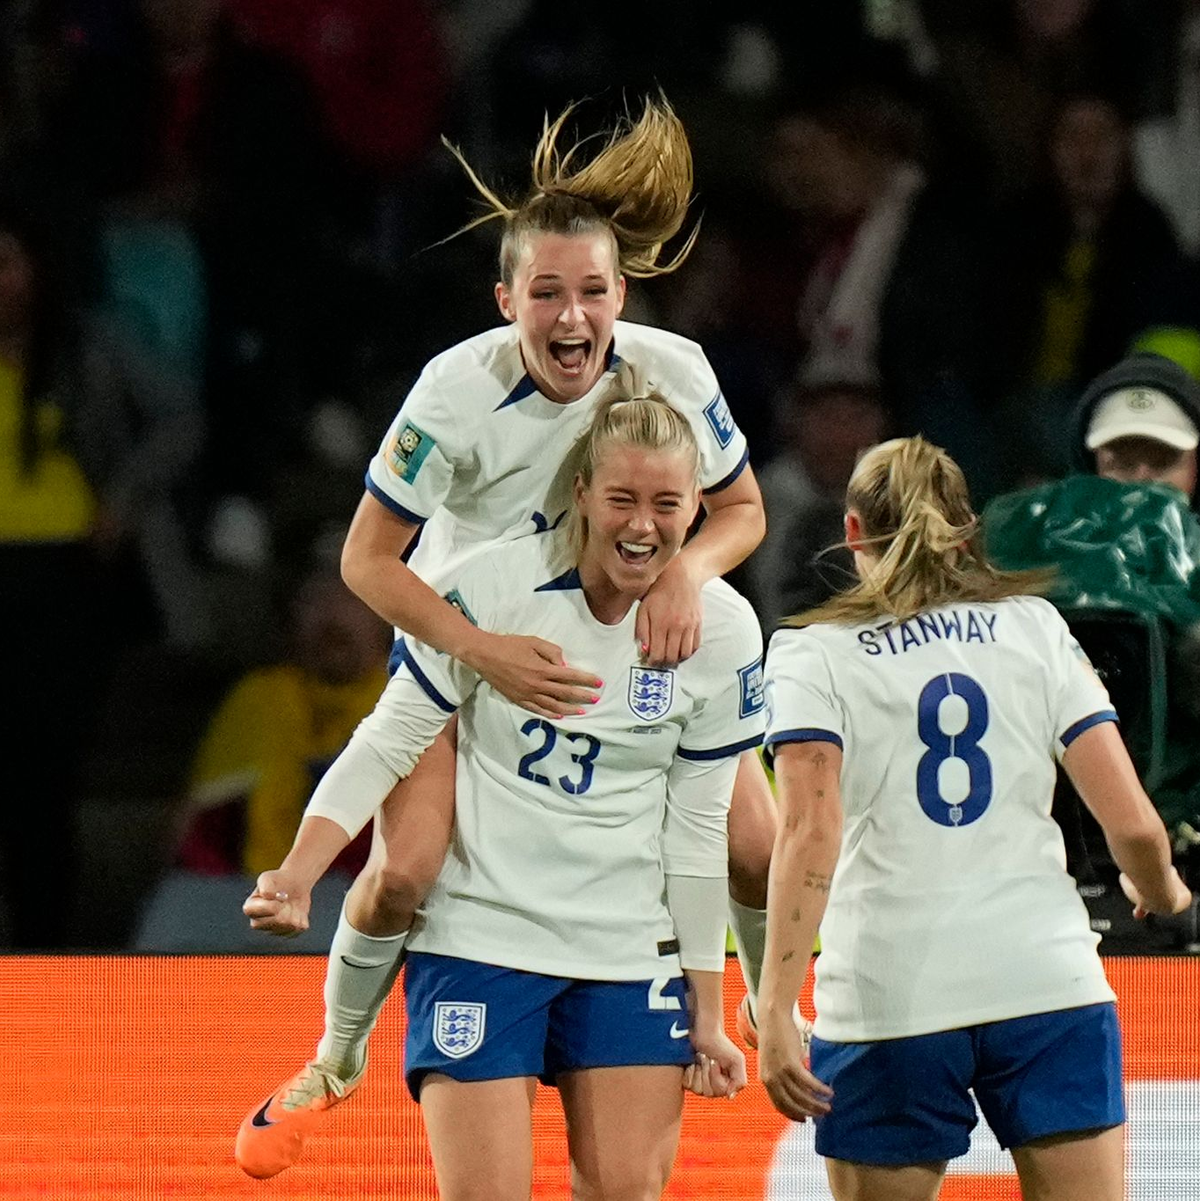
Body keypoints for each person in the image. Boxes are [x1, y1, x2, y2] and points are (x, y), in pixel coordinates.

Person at [234, 94, 777, 1177]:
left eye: (592, 293)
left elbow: (743, 511)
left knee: (757, 843)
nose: (571, 320)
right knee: (406, 872)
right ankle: (336, 1055)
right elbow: (363, 562)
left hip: (617, 633)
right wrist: (479, 652)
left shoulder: (675, 371)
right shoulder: (454, 390)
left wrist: (688, 574)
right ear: (506, 300)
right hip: (465, 633)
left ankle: (776, 1012)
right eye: (546, 294)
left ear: (624, 295)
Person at [239, 396, 756, 1194]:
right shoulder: (488, 581)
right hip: (483, 933)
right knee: (398, 875)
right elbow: (387, 737)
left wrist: (712, 1011)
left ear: (697, 507)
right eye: (622, 499)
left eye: (667, 504)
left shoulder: (721, 630)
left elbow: (695, 830)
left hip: (626, 947)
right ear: (580, 491)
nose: (643, 526)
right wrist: (298, 869)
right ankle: (336, 1056)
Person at [754, 435, 1191, 1201]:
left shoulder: (812, 653)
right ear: (967, 529)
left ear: (852, 532)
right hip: (1046, 983)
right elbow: (1136, 828)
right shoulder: (1036, 628)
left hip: (889, 997)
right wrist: (1164, 893)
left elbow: (809, 832)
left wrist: (777, 1001)